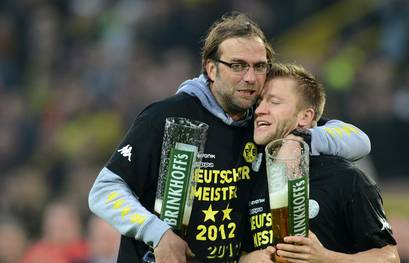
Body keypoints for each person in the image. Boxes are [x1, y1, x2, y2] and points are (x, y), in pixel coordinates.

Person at [88, 13, 371, 263]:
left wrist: (301, 139)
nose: (250, 77)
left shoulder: (260, 121)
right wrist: (157, 232)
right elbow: (105, 191)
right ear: (211, 69)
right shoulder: (168, 116)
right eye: (237, 66)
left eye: (259, 66)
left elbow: (358, 140)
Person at [241, 63, 399, 263]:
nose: (259, 110)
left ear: (305, 117)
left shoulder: (346, 179)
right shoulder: (250, 178)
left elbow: (389, 258)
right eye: (259, 101)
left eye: (274, 102)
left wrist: (325, 258)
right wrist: (247, 259)